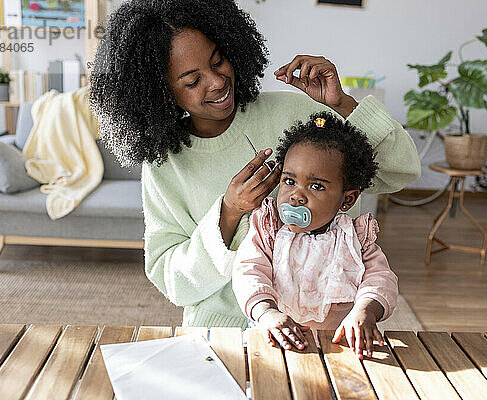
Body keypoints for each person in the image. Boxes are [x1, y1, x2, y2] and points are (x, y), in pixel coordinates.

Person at [89, 0, 420, 330]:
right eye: (192, 81)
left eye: (219, 61)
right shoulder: (165, 165)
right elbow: (173, 280)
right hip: (222, 328)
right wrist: (229, 212)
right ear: (159, 93)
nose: (217, 82)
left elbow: (400, 171)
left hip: (331, 324)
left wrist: (343, 104)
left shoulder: (297, 112)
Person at [232, 111, 396, 358]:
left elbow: (381, 279)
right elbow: (248, 271)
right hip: (276, 335)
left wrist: (366, 310)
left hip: (339, 344)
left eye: (316, 186)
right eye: (289, 181)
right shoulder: (268, 228)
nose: (296, 195)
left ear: (347, 199)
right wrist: (266, 312)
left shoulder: (355, 239)